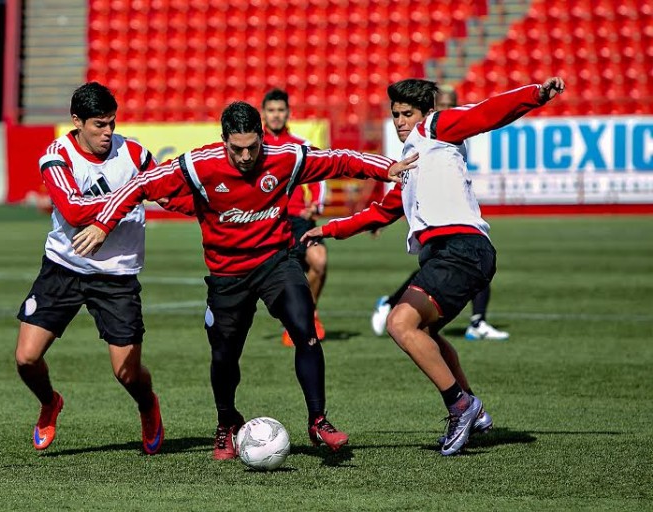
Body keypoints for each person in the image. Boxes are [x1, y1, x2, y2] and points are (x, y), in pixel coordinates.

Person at [72, 101, 416, 459]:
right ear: (223, 141)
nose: (247, 156)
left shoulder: (285, 156)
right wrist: (102, 224)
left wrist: (385, 168)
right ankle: (226, 423)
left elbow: (338, 160)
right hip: (227, 273)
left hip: (275, 262)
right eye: (237, 149)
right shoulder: (199, 164)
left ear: (262, 137)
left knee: (304, 327)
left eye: (253, 146)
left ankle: (318, 421)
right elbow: (142, 183)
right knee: (224, 355)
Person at [301, 77, 565, 455]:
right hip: (453, 254)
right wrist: (327, 230)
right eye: (396, 115)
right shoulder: (411, 163)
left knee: (399, 323)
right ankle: (477, 412)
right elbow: (380, 212)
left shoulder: (436, 128)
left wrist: (535, 94)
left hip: (461, 249)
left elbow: (486, 113)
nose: (401, 121)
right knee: (425, 331)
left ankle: (461, 405)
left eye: (407, 113)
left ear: (426, 112)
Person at [14, 82, 164, 454]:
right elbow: (74, 211)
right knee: (26, 359)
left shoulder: (134, 154)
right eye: (99, 124)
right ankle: (50, 402)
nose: (108, 132)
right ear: (77, 121)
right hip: (63, 267)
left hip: (117, 275)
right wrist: (133, 194)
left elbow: (166, 189)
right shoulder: (57, 156)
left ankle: (148, 405)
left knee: (127, 373)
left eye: (112, 123)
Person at [371, 84, 510, 342]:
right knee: (452, 264)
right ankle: (392, 303)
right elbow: (401, 191)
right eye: (442, 105)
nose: (446, 111)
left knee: (466, 258)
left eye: (451, 105)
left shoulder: (450, 129)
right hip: (437, 224)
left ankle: (476, 321)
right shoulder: (428, 134)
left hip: (456, 219)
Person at [262, 88, 328, 347]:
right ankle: (294, 318)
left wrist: (316, 205)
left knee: (318, 261)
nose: (276, 115)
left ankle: (308, 314)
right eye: (271, 110)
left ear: (288, 113)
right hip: (269, 220)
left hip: (299, 219)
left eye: (280, 110)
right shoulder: (256, 145)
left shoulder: (300, 145)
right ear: (263, 113)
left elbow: (320, 174)